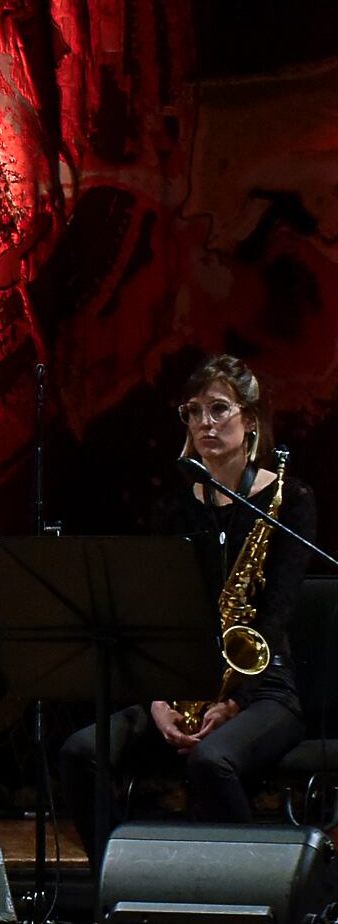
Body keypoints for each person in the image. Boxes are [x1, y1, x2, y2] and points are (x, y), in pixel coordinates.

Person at [60, 354, 316, 853]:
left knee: (210, 763)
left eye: (219, 409)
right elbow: (156, 615)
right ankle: (117, 891)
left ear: (252, 419)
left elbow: (276, 611)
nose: (205, 423)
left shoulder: (291, 501)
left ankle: (250, 905)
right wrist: (157, 700)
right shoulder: (173, 507)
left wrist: (235, 701)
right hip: (180, 686)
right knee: (78, 751)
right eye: (193, 412)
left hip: (264, 691)